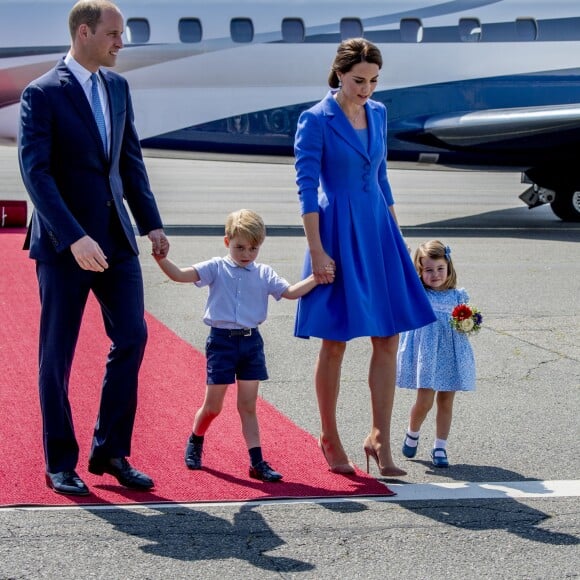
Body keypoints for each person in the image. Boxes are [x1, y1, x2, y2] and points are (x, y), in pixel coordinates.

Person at [18, 0, 169, 496]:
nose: (120, 43)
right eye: (114, 33)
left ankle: (110, 452)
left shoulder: (118, 87)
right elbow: (35, 174)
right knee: (56, 356)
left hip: (116, 239)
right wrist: (73, 236)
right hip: (65, 246)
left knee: (132, 337)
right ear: (84, 33)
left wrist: (152, 225)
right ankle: (60, 462)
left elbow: (130, 162)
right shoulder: (41, 94)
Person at [293, 38, 436, 477]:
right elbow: (306, 190)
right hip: (335, 231)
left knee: (388, 337)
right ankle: (329, 437)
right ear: (338, 74)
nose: (367, 89)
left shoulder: (378, 113)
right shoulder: (314, 119)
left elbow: (382, 178)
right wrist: (317, 251)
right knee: (335, 341)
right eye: (359, 81)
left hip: (378, 230)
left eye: (374, 81)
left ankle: (379, 438)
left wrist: (397, 235)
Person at [153, 209, 327, 482]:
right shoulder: (216, 267)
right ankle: (196, 439)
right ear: (227, 242)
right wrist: (162, 260)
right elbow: (179, 275)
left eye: (253, 248)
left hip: (251, 343)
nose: (246, 254)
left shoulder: (264, 273)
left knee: (248, 406)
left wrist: (316, 277)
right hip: (221, 342)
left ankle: (257, 462)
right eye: (240, 247)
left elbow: (290, 292)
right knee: (213, 407)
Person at [397, 241, 477, 468]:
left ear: (449, 267)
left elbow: (466, 322)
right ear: (420, 273)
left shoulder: (458, 296)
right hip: (428, 356)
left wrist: (470, 323)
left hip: (451, 355)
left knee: (446, 401)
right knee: (424, 401)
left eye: (440, 268)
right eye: (428, 270)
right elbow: (403, 279)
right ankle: (412, 432)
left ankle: (440, 446)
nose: (435, 274)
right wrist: (405, 255)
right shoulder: (419, 293)